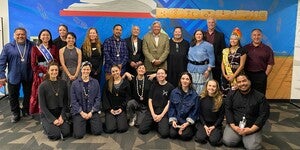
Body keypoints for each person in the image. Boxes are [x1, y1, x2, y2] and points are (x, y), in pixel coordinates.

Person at [222, 74, 270, 149]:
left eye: (244, 81)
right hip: (235, 125)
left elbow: (263, 115)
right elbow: (228, 110)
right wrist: (234, 126)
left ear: (249, 81)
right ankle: (241, 137)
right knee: (228, 141)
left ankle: (246, 137)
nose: (242, 84)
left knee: (252, 147)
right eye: (239, 82)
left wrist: (251, 130)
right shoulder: (232, 94)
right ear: (237, 84)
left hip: (251, 126)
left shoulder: (260, 97)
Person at [0, 27, 34, 123]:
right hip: (13, 76)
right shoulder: (8, 46)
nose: (20, 36)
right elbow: (2, 62)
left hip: (28, 75)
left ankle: (26, 110)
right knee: (13, 96)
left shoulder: (32, 45)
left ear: (26, 35)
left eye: (22, 34)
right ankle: (15, 113)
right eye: (18, 34)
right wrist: (2, 76)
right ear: (14, 35)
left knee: (28, 94)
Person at [139, 68, 174, 138]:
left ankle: (158, 123)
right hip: (153, 111)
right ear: (156, 75)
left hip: (163, 112)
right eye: (158, 74)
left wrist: (161, 115)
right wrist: (153, 114)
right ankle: (155, 122)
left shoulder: (170, 87)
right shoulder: (153, 85)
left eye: (162, 73)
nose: (160, 75)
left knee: (164, 134)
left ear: (166, 75)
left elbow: (169, 103)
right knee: (142, 130)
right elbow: (150, 100)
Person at [38, 62, 70, 140]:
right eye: (52, 70)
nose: (54, 72)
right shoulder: (42, 86)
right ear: (48, 71)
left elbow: (65, 102)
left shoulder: (63, 83)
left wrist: (62, 116)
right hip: (47, 115)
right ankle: (45, 124)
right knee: (55, 134)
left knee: (66, 132)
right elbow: (43, 106)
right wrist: (53, 120)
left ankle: (57, 125)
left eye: (56, 70)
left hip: (59, 114)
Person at [30, 29, 59, 115]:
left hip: (52, 72)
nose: (45, 37)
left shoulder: (54, 47)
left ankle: (52, 109)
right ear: (40, 37)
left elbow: (57, 60)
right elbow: (33, 64)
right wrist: (41, 74)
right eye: (43, 35)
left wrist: (53, 71)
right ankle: (41, 111)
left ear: (50, 37)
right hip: (40, 74)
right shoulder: (35, 48)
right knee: (39, 93)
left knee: (52, 92)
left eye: (47, 35)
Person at [70, 61, 102, 139]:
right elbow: (73, 101)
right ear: (81, 69)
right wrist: (81, 112)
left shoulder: (95, 82)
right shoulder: (74, 84)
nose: (86, 71)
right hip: (79, 112)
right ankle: (84, 124)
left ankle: (88, 123)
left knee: (97, 131)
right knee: (78, 135)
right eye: (84, 69)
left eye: (88, 69)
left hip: (92, 111)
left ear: (90, 70)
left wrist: (91, 112)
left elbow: (98, 99)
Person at [168, 72, 199, 141]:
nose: (185, 81)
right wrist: (173, 121)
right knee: (172, 134)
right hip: (177, 119)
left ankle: (190, 130)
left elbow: (195, 111)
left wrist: (187, 123)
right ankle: (179, 130)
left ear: (190, 81)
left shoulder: (194, 95)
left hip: (187, 121)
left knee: (185, 136)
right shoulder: (174, 92)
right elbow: (172, 107)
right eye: (183, 79)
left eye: (187, 79)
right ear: (180, 80)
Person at [244, 29, 275, 95]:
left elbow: (270, 63)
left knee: (260, 95)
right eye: (254, 35)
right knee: (247, 93)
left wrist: (265, 75)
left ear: (262, 36)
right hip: (247, 75)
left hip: (261, 75)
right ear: (251, 36)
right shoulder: (245, 48)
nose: (256, 37)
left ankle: (260, 106)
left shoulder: (267, 49)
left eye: (258, 35)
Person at [194, 79, 224, 146]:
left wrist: (213, 127)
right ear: (206, 86)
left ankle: (213, 134)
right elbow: (200, 114)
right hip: (203, 123)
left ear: (217, 88)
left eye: (214, 86)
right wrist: (205, 126)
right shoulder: (201, 98)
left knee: (214, 141)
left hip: (215, 125)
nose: (211, 88)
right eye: (209, 85)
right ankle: (206, 134)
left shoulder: (220, 100)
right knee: (200, 138)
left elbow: (221, 117)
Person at [102, 65, 131, 133]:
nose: (115, 73)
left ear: (120, 71)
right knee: (110, 129)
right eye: (113, 71)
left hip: (121, 109)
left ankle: (121, 119)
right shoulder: (107, 83)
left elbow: (128, 97)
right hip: (110, 109)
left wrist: (121, 108)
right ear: (111, 73)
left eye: (116, 71)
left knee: (122, 128)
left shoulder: (126, 83)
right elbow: (104, 98)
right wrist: (110, 109)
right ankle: (111, 121)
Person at [187, 29, 215, 94]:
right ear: (194, 36)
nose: (198, 36)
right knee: (192, 87)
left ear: (203, 35)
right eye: (197, 34)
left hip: (203, 70)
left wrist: (208, 70)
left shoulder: (208, 45)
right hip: (191, 70)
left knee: (202, 90)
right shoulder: (191, 45)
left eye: (200, 34)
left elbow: (212, 58)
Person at [221, 28, 246, 97]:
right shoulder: (226, 50)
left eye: (235, 39)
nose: (233, 41)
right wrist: (224, 74)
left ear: (238, 40)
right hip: (226, 76)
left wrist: (233, 76)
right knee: (225, 93)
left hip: (237, 75)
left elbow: (242, 66)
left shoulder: (242, 50)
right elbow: (223, 64)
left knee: (236, 93)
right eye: (231, 39)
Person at [59, 32, 82, 107]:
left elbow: (79, 63)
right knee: (67, 90)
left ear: (75, 40)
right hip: (66, 73)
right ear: (66, 39)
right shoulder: (61, 50)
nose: (71, 40)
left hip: (77, 72)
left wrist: (75, 75)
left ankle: (77, 107)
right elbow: (63, 64)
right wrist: (69, 75)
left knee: (77, 90)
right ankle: (68, 108)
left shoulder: (78, 50)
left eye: (72, 38)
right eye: (69, 38)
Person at [204, 18, 226, 85]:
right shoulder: (202, 34)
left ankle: (217, 95)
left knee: (216, 81)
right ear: (207, 24)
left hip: (216, 63)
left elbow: (223, 49)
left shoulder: (220, 35)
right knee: (205, 82)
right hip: (204, 63)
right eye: (209, 22)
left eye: (212, 22)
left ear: (215, 24)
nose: (211, 24)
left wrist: (221, 61)